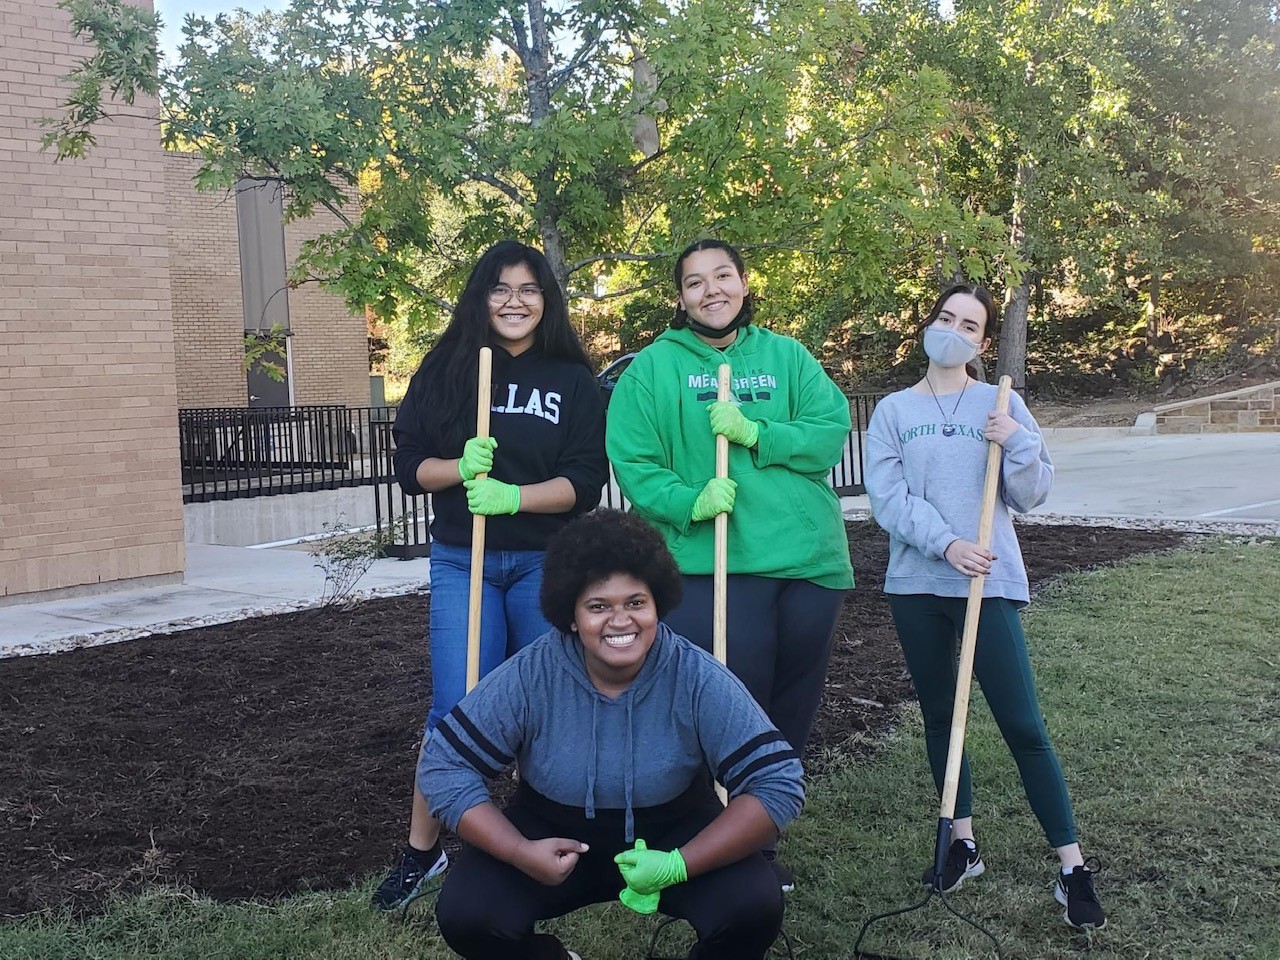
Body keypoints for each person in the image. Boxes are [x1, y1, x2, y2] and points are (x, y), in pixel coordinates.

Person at [421, 509, 805, 960]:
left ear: (657, 602)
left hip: (673, 828)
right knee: (468, 914)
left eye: (636, 602)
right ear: (570, 615)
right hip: (551, 829)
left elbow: (778, 781)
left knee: (753, 906)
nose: (620, 621)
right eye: (598, 606)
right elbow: (444, 763)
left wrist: (679, 865)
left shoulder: (695, 675)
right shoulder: (532, 673)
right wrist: (519, 851)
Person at [605, 238, 853, 888]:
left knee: (787, 713)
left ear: (744, 284)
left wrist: (758, 434)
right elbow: (634, 460)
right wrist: (690, 500)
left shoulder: (786, 356)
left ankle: (758, 845)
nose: (711, 290)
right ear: (680, 297)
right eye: (695, 282)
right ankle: (704, 839)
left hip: (806, 565)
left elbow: (829, 430)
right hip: (710, 565)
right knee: (724, 710)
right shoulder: (652, 370)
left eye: (723, 276)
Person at [371, 240, 609, 911]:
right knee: (454, 711)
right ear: (481, 296)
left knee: (546, 707)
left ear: (546, 299)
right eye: (500, 289)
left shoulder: (570, 378)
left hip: (544, 563)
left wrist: (514, 495)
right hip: (463, 560)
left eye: (528, 289)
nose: (514, 301)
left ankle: (548, 845)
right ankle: (423, 852)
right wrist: (460, 471)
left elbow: (586, 483)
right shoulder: (448, 368)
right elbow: (410, 466)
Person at [863, 283, 1106, 930]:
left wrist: (1018, 440)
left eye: (968, 324)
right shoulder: (891, 410)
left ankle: (1072, 867)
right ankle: (960, 845)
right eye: (945, 317)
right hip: (917, 584)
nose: (953, 329)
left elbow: (1032, 494)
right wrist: (947, 545)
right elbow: (887, 501)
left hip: (988, 584)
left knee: (1023, 724)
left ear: (981, 341)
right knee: (943, 716)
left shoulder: (1000, 402)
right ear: (930, 323)